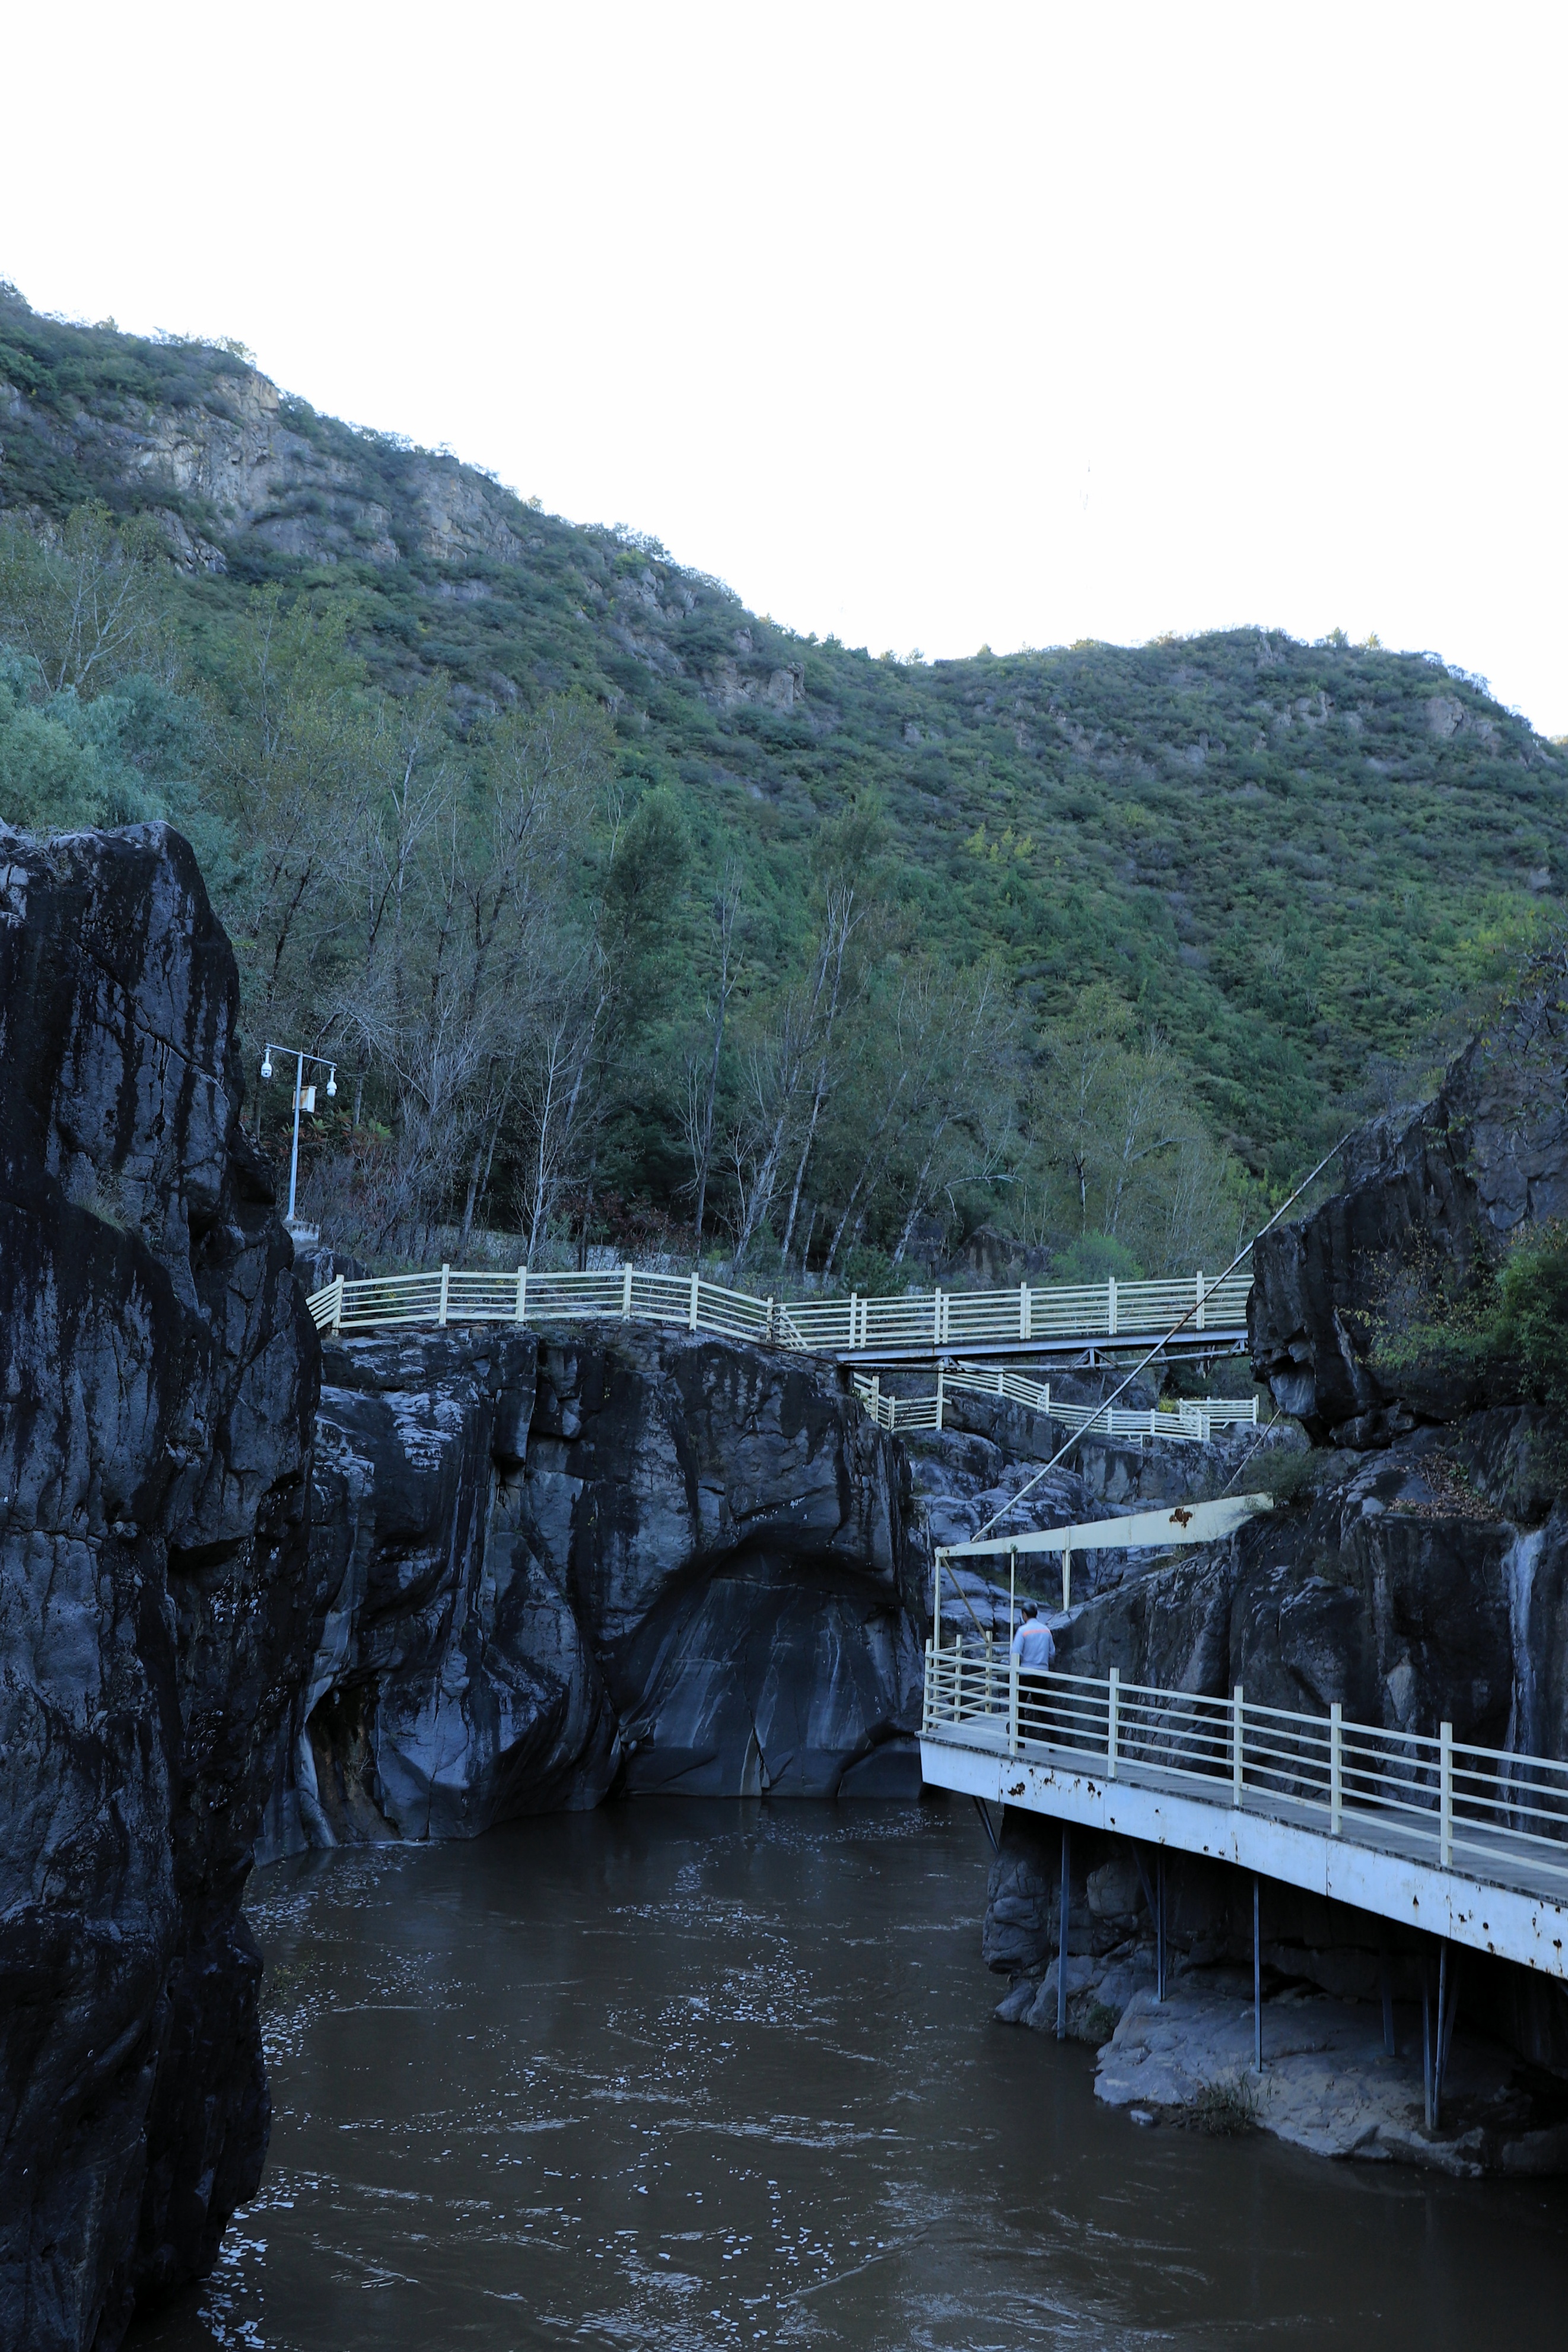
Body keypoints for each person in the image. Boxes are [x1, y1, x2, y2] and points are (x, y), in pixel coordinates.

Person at [1011, 1601, 1055, 1740]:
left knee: (1019, 1706)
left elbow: (1015, 1653)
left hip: (1025, 1673)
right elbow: (1052, 1653)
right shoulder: (1046, 1630)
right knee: (1043, 1706)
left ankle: (1019, 1740)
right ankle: (1055, 1738)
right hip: (1042, 1673)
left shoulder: (1023, 1631)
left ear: (1024, 1614)